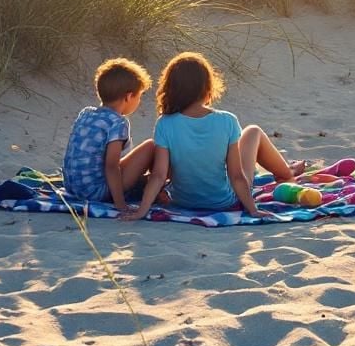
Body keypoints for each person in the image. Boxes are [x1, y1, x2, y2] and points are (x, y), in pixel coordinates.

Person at [125, 52, 300, 220]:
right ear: (208, 87)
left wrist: (142, 210)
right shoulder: (227, 120)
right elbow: (236, 175)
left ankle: (287, 169)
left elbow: (158, 175)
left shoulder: (165, 123)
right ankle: (287, 172)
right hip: (222, 201)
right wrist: (252, 209)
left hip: (183, 201)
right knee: (253, 131)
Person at [61, 58, 156, 212]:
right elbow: (111, 166)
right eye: (139, 96)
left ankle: (146, 184)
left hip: (72, 187)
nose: (139, 101)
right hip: (95, 192)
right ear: (128, 97)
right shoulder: (117, 122)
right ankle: (153, 187)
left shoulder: (86, 113)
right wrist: (120, 204)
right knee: (151, 146)